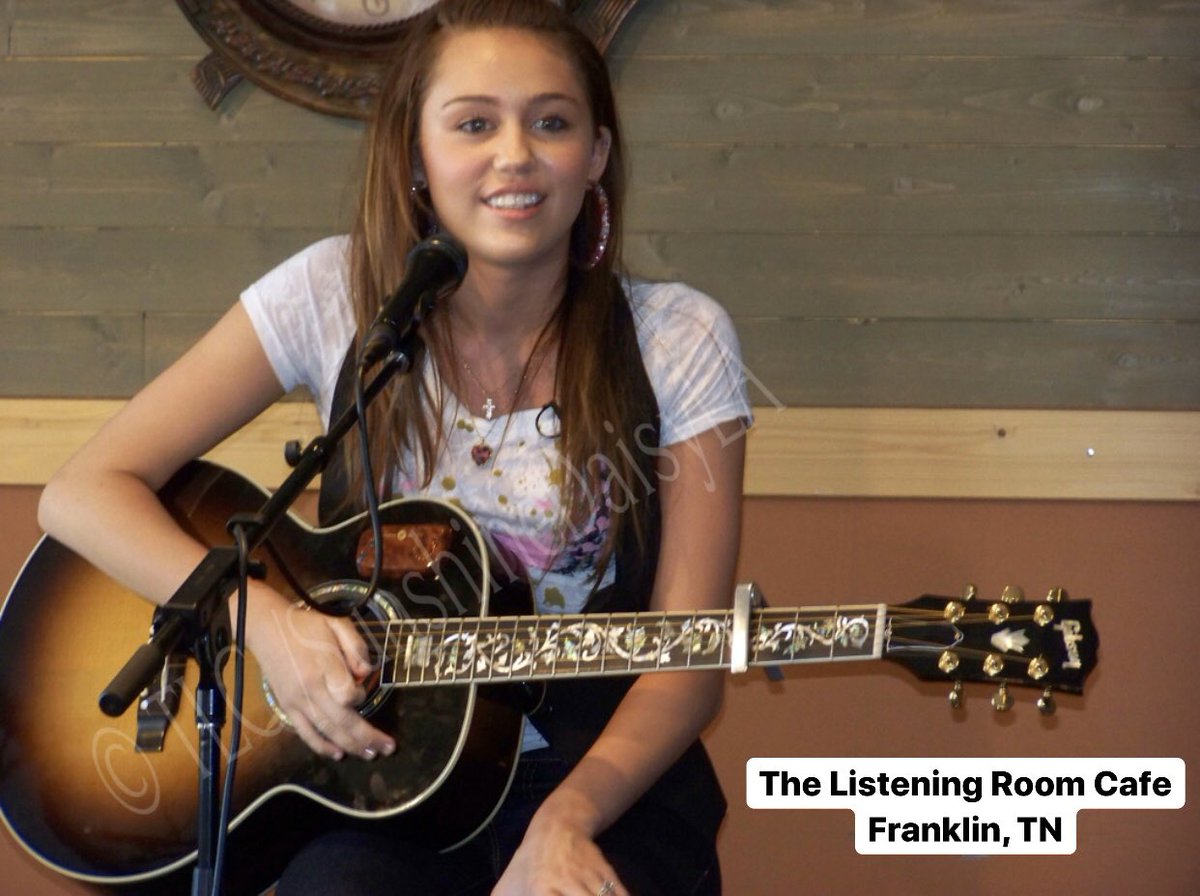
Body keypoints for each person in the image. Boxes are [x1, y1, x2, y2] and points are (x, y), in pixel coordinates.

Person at [37, 1, 750, 893]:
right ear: (416, 154)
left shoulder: (679, 338)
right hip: (376, 784)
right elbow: (81, 491)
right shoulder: (333, 295)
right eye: (474, 124)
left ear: (596, 154)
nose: (515, 154)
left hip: (602, 780)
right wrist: (269, 626)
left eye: (552, 123)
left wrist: (564, 822)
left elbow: (688, 661)